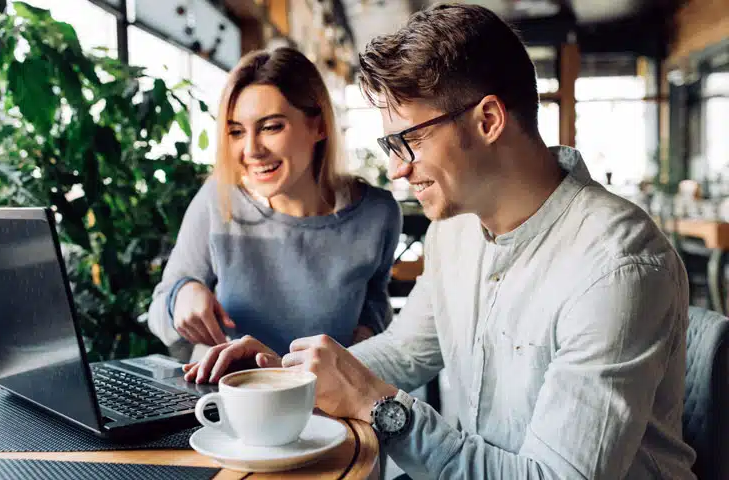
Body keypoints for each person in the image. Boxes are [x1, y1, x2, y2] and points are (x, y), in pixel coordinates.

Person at [184, 4, 697, 479]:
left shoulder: (616, 266)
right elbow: (408, 351)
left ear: (489, 120)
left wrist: (379, 408)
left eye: (409, 140)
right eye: (390, 144)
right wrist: (284, 376)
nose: (396, 168)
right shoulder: (454, 229)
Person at [148, 47, 402, 367]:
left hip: (327, 400)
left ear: (319, 127)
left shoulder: (377, 214)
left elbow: (375, 298)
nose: (251, 150)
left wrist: (364, 337)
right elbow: (160, 309)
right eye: (236, 132)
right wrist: (182, 295)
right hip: (235, 398)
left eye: (271, 127)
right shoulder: (218, 199)